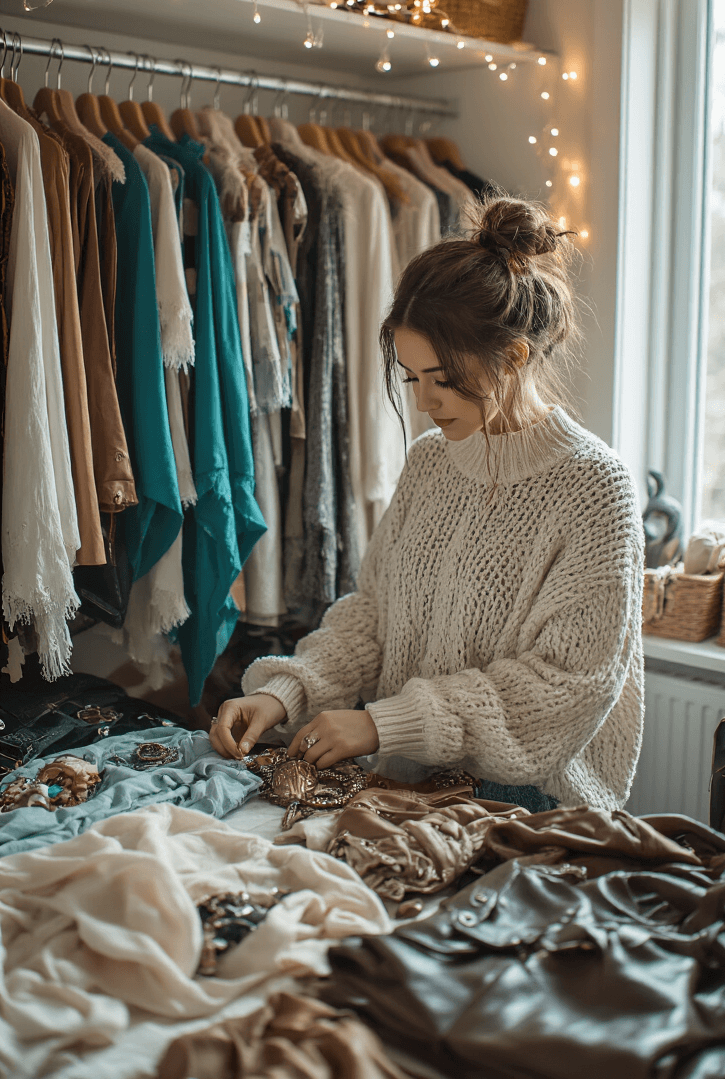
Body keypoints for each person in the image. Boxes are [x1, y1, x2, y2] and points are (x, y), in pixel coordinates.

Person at [210, 194, 644, 812]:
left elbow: (564, 689)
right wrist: (287, 692)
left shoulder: (595, 489)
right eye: (413, 379)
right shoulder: (431, 461)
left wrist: (382, 724)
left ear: (513, 358)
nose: (423, 402)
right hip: (404, 785)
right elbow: (374, 615)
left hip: (530, 809)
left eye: (442, 379)